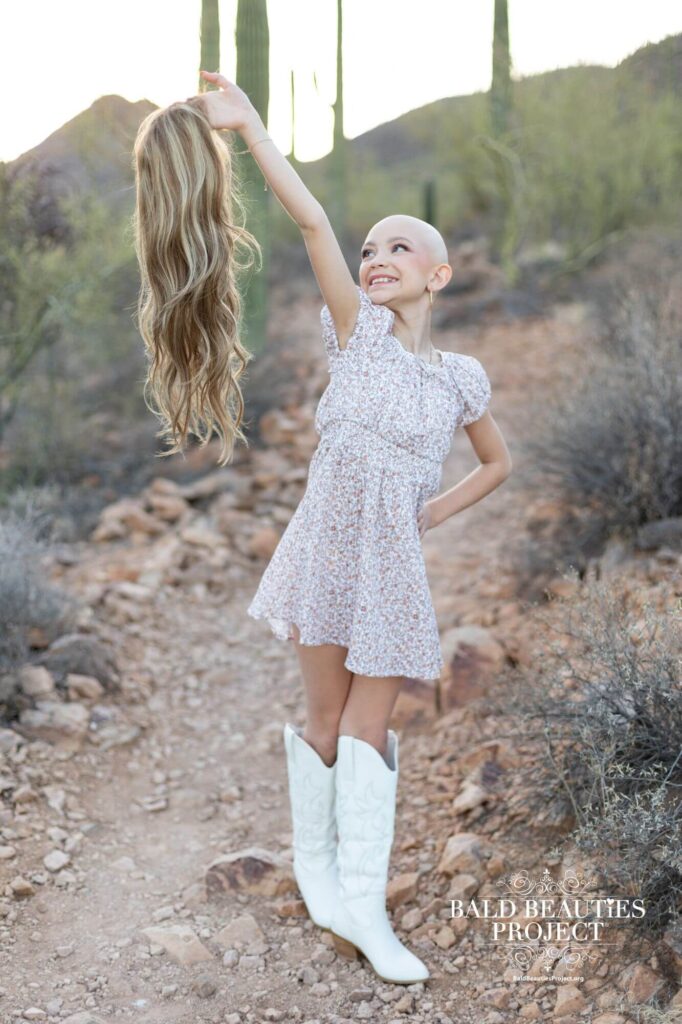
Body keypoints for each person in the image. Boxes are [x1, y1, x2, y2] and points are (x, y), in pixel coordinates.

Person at [132, 69, 513, 986]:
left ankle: (364, 902)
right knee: (326, 719)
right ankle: (317, 872)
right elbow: (310, 222)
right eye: (370, 247)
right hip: (325, 551)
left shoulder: (458, 377)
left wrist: (429, 514)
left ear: (438, 274)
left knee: (370, 727)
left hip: (391, 567)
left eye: (399, 246)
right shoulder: (359, 335)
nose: (376, 257)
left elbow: (498, 463)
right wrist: (251, 128)